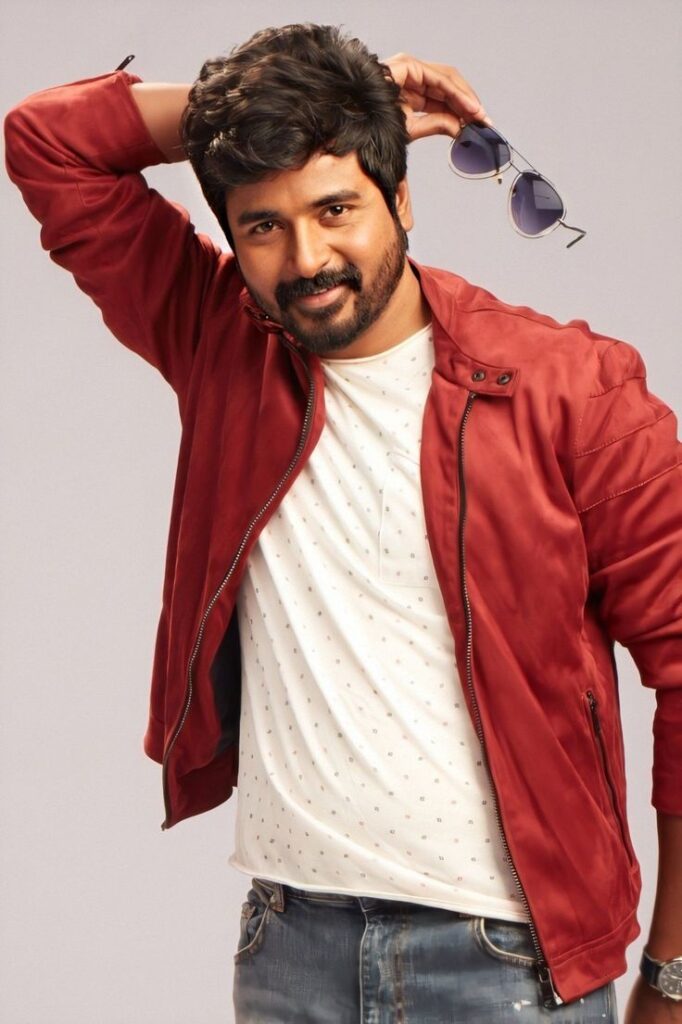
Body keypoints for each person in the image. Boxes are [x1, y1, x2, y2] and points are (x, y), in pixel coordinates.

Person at [4, 21, 681, 1024]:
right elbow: (45, 140)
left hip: (506, 964)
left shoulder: (572, 389)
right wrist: (276, 102)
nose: (307, 257)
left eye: (335, 209)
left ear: (400, 198)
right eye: (263, 226)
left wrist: (672, 972)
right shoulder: (222, 342)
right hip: (290, 949)